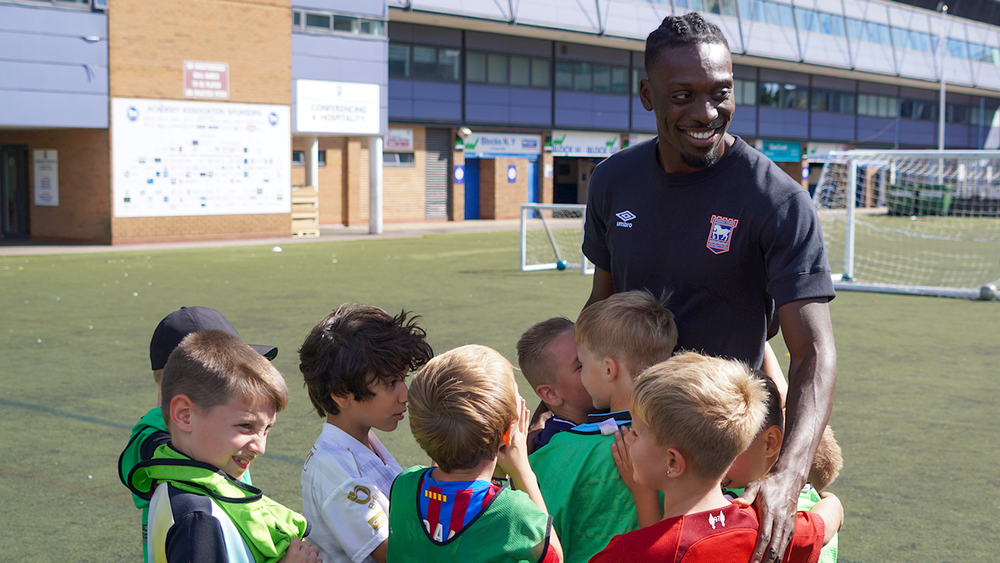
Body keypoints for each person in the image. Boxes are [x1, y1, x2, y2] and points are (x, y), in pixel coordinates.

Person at [581, 12, 837, 561]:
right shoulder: (612, 180)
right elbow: (600, 305)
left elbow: (813, 351)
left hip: (726, 455)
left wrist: (789, 474)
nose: (706, 113)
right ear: (648, 95)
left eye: (720, 93)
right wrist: (567, 399)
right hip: (635, 445)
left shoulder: (776, 200)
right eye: (683, 95)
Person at [590, 353, 842, 563]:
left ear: (673, 463)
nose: (629, 439)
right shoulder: (767, 529)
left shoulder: (625, 553)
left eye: (635, 432)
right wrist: (832, 500)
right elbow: (826, 525)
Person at [125, 330, 319, 563]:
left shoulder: (174, 478)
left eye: (267, 429)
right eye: (246, 425)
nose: (260, 447)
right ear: (185, 416)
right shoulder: (198, 518)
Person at [529, 291, 677, 563]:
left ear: (609, 370)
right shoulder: (686, 436)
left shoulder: (558, 453)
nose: (583, 374)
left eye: (583, 364)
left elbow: (535, 539)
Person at [386, 344, 563, 563]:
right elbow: (554, 557)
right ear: (509, 434)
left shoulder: (404, 485)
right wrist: (523, 472)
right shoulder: (513, 512)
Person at [298, 304, 433, 563]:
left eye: (403, 379)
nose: (405, 394)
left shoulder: (361, 439)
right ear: (341, 392)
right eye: (391, 383)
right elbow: (398, 556)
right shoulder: (338, 471)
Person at [717, 375, 844, 563]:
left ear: (771, 445)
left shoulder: (746, 503)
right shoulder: (818, 506)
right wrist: (833, 502)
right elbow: (824, 528)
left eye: (731, 445)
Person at [516, 317, 600, 453]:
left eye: (598, 353)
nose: (603, 364)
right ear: (551, 394)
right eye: (580, 365)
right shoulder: (555, 451)